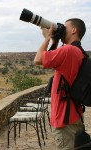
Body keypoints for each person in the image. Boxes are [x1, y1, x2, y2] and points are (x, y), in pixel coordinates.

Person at [34, 18, 87, 150]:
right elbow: (50, 62)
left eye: (65, 27)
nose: (62, 29)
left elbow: (38, 59)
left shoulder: (68, 50)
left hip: (65, 118)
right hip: (73, 114)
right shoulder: (77, 51)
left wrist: (46, 38)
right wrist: (55, 41)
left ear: (74, 30)